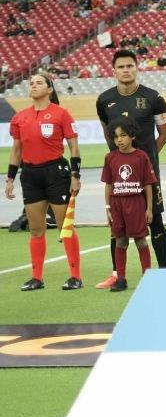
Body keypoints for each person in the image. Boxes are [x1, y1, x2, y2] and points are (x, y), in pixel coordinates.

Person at [95, 49, 166, 287]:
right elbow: (108, 132)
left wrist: (144, 160)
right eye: (121, 67)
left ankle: (163, 272)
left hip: (147, 172)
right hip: (119, 174)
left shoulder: (153, 97)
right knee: (117, 224)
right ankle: (118, 275)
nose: (126, 70)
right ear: (114, 70)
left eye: (130, 66)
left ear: (137, 68)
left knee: (155, 218)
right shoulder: (104, 100)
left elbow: (165, 131)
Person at [4, 73, 83, 291]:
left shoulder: (62, 114)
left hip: (56, 173)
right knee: (36, 229)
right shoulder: (20, 117)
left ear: (49, 89)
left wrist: (75, 176)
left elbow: (74, 147)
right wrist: (10, 178)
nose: (33, 85)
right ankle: (37, 278)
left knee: (64, 227)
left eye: (39, 83)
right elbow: (16, 150)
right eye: (31, 83)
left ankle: (75, 276)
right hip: (30, 175)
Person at [99, 121, 155, 292]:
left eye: (123, 135)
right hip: (117, 204)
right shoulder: (110, 158)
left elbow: (147, 184)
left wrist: (149, 209)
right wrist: (107, 207)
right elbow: (108, 184)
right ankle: (121, 279)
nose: (119, 140)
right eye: (116, 137)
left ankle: (148, 278)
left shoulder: (141, 156)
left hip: (136, 203)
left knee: (140, 241)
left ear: (132, 136)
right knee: (120, 241)